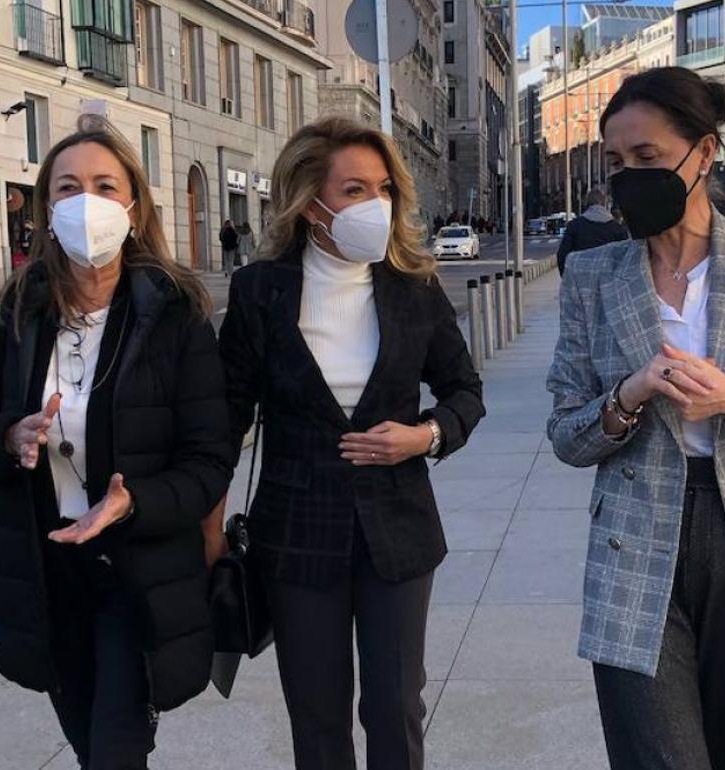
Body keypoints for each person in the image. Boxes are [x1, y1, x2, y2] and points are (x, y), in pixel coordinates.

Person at [546, 66, 725, 770]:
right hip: (633, 543)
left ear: (704, 154)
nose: (627, 177)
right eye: (615, 163)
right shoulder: (593, 275)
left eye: (646, 158)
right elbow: (566, 433)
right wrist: (628, 396)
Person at [0, 116, 229, 769]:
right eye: (68, 188)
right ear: (46, 208)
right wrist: (9, 435)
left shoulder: (176, 312)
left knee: (114, 756)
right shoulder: (19, 309)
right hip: (45, 579)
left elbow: (209, 460)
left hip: (136, 578)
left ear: (133, 205)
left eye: (105, 185)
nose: (86, 202)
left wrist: (135, 503)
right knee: (90, 748)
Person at [216, 116, 485, 770]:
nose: (377, 204)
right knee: (317, 717)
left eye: (385, 188)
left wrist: (424, 435)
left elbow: (464, 392)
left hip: (399, 531)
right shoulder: (260, 292)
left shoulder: (413, 286)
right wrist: (205, 521)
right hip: (296, 536)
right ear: (312, 204)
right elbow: (226, 415)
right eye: (355, 190)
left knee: (395, 709)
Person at [556, 188, 630, 276]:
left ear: (586, 204)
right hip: (609, 282)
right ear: (605, 205)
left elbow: (562, 255)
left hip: (581, 279)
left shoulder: (574, 226)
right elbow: (626, 258)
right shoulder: (617, 229)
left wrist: (567, 278)